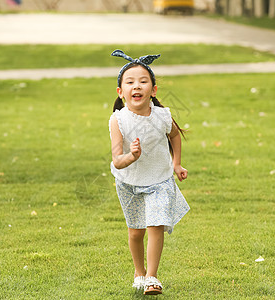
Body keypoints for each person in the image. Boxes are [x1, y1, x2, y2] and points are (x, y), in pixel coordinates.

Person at [108, 50, 190, 295]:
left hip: (159, 180)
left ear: (153, 90)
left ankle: (152, 277)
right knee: (136, 233)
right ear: (121, 92)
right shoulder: (118, 120)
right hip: (129, 182)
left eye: (143, 81)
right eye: (130, 82)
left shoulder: (163, 116)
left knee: (156, 224)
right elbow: (117, 161)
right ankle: (139, 272)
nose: (137, 86)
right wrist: (131, 156)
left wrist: (176, 164)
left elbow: (175, 136)